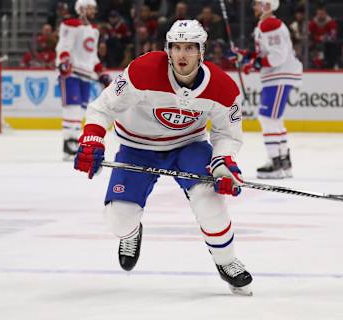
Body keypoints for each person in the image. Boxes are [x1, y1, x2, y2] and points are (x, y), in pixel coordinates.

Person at [74, 20, 253, 296]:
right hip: (136, 146)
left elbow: (227, 134)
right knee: (118, 220)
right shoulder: (142, 71)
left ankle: (226, 261)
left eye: (190, 48)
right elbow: (102, 108)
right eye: (176, 47)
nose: (182, 55)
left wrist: (223, 164)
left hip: (188, 146)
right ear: (168, 50)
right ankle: (131, 233)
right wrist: (92, 138)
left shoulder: (223, 88)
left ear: (201, 52)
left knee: (209, 199)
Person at [232, 0, 302, 179]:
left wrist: (254, 63)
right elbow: (266, 55)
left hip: (279, 74)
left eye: (257, 4)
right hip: (275, 76)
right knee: (274, 119)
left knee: (267, 117)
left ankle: (276, 162)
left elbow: (278, 56)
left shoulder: (270, 24)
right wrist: (246, 56)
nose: (254, 7)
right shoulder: (264, 25)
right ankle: (283, 163)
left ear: (267, 6)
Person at [55, 0, 111, 160]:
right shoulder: (70, 24)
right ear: (81, 9)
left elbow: (92, 56)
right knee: (71, 107)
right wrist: (64, 61)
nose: (94, 11)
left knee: (81, 109)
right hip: (71, 72)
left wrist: (101, 72)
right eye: (91, 8)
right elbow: (64, 46)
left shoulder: (93, 30)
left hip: (86, 74)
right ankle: (69, 141)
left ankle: (73, 141)